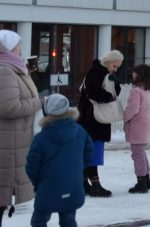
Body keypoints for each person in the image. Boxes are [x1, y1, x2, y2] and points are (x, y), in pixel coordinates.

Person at [26, 93, 93, 227]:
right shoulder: (80, 131)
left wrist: (39, 183)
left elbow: (32, 166)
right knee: (68, 221)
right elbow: (89, 154)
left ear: (46, 112)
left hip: (47, 189)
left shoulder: (41, 138)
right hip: (73, 187)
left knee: (38, 221)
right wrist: (77, 170)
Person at [0, 30, 42, 222]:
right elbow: (9, 107)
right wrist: (39, 102)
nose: (21, 49)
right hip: (7, 144)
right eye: (18, 45)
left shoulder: (11, 67)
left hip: (11, 141)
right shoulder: (4, 70)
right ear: (8, 48)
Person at [77, 49, 124, 197]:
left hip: (89, 118)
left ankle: (84, 183)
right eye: (115, 66)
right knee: (93, 152)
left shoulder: (100, 72)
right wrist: (109, 96)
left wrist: (116, 85)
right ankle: (95, 185)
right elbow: (93, 91)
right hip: (93, 119)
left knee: (88, 152)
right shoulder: (98, 72)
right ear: (109, 62)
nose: (115, 69)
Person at [124, 64, 150, 193]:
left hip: (138, 125)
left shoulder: (136, 91)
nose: (133, 74)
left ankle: (141, 182)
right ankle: (147, 180)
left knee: (137, 154)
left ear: (140, 75)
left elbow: (133, 109)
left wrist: (125, 117)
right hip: (147, 124)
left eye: (135, 72)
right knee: (141, 152)